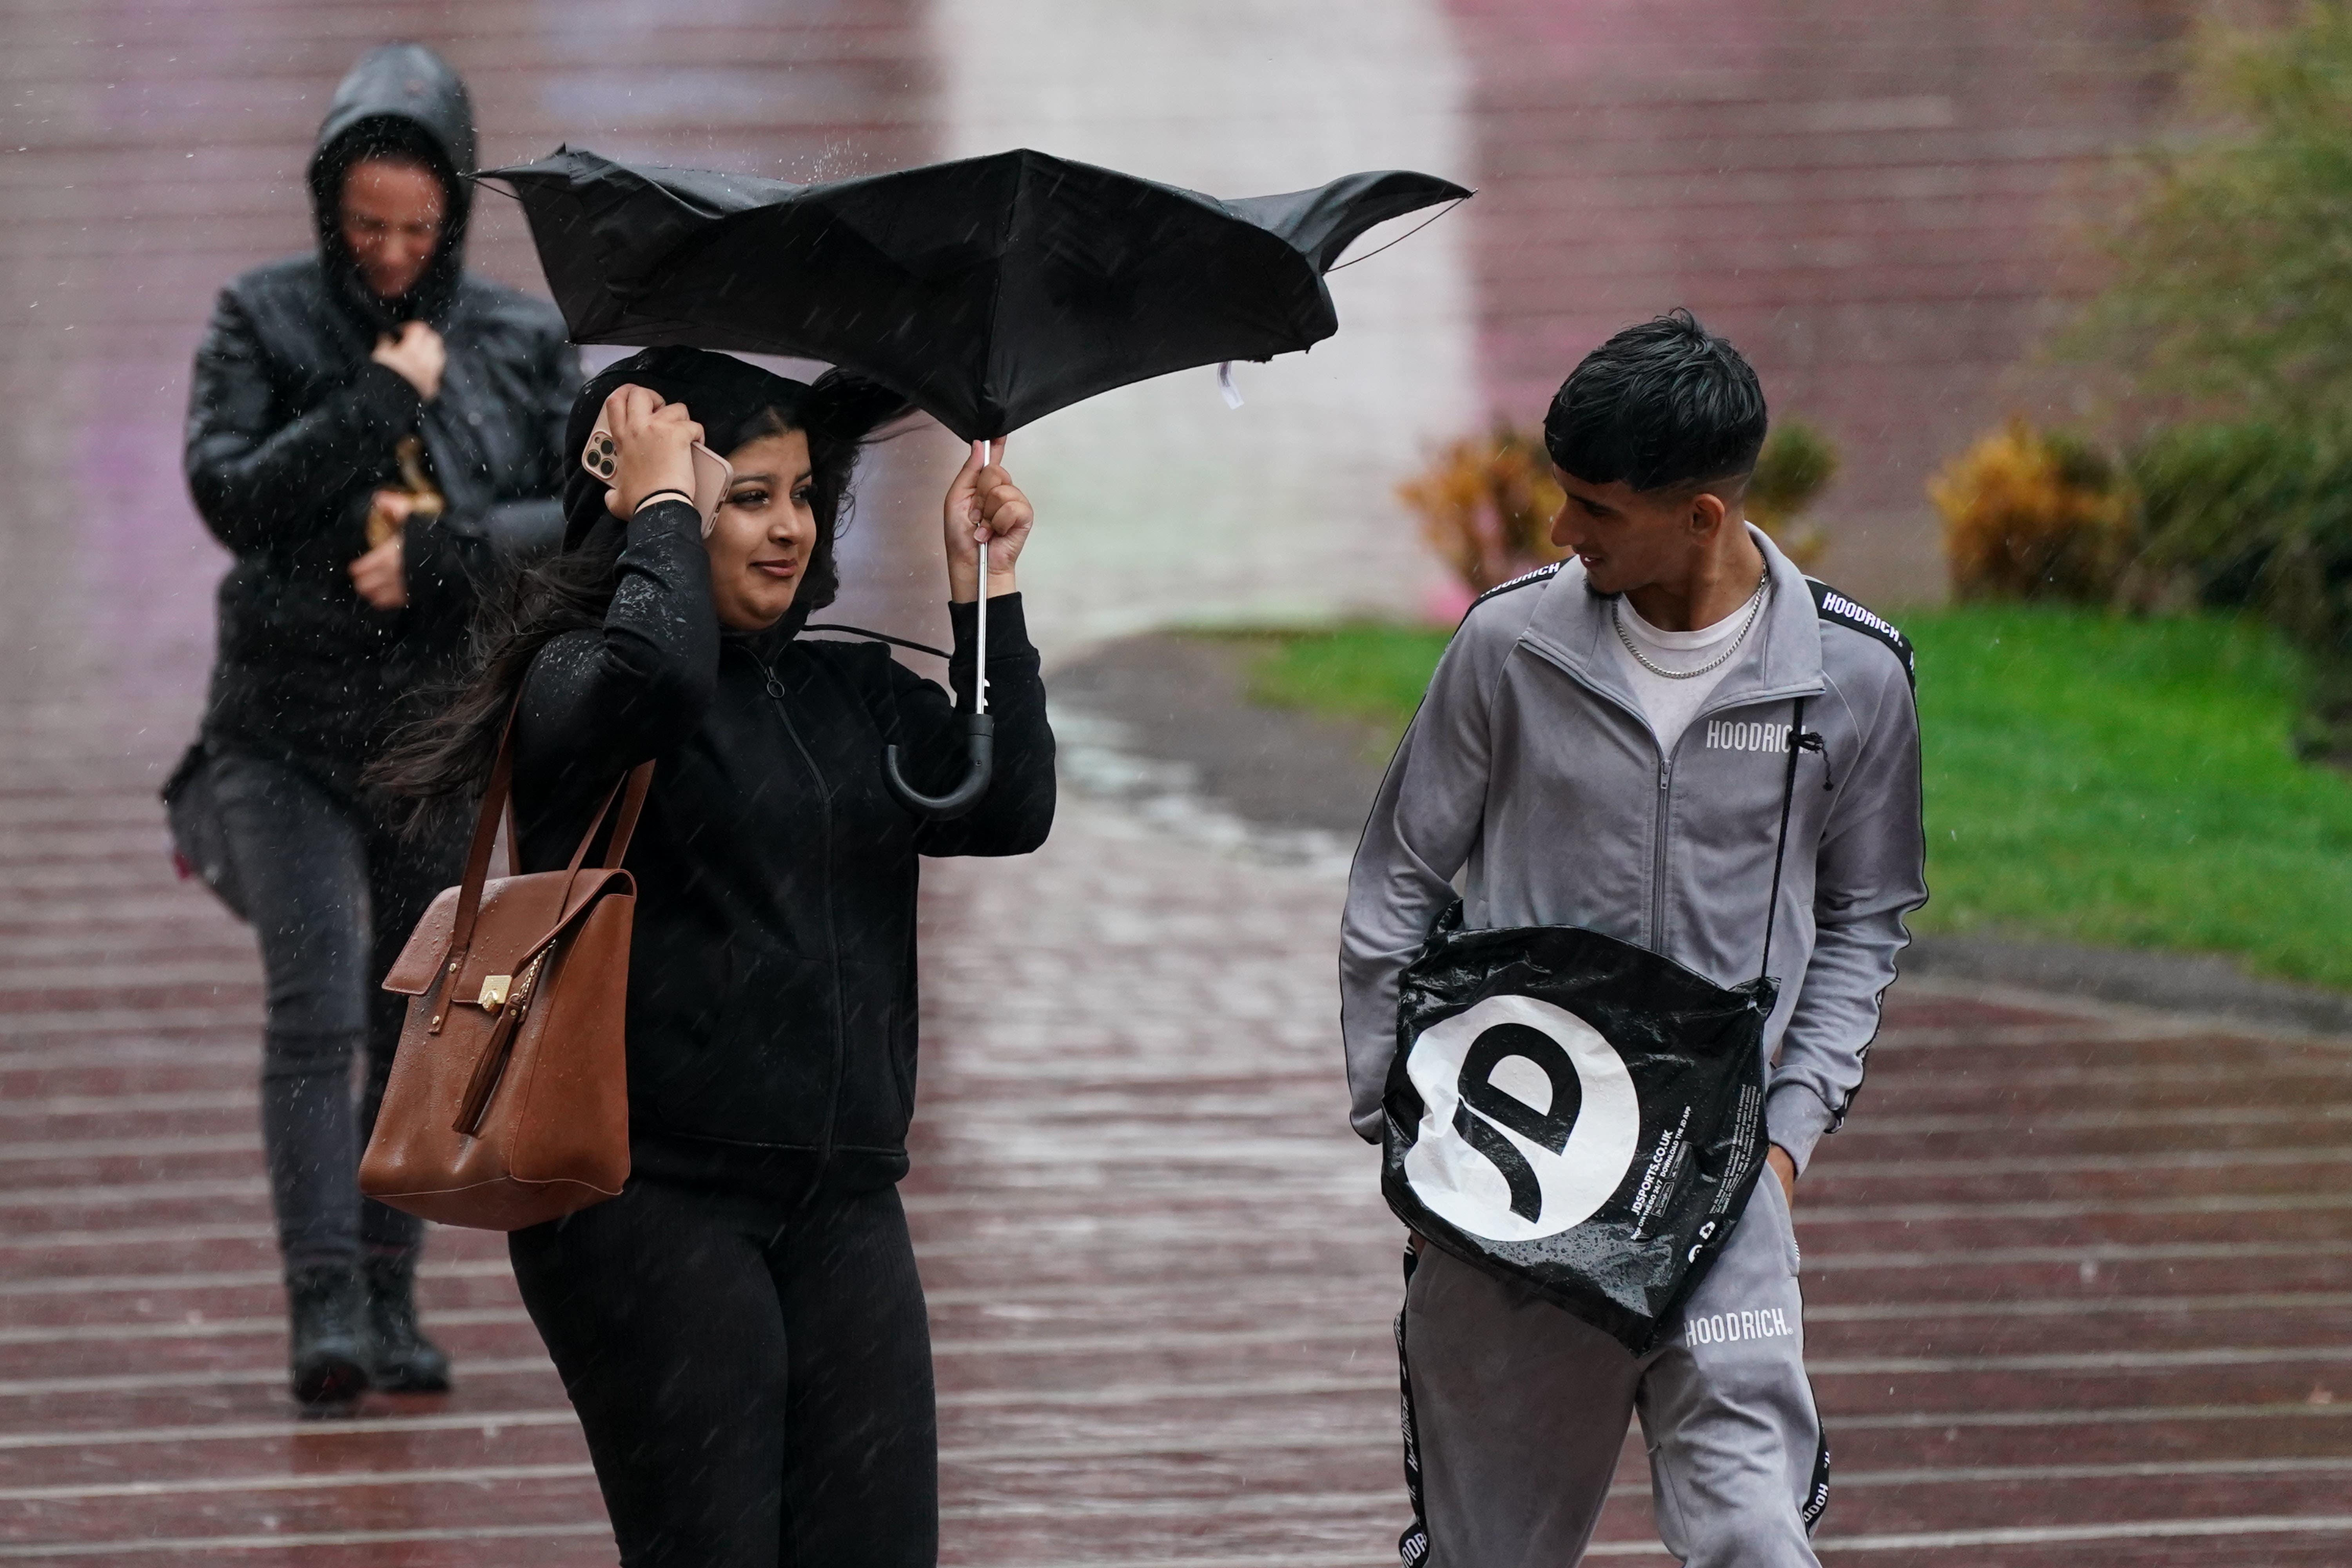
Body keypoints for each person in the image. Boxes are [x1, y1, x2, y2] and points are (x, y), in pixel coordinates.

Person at [373, 345, 1056, 1568]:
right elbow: (663, 671)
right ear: (647, 516)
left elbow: (1003, 809)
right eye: (746, 497)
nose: (789, 528)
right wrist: (664, 509)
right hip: (653, 1208)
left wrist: (985, 591)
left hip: (844, 1199)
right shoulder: (580, 686)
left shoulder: (852, 690)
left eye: (801, 493)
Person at [1339, 310, 1927, 1566]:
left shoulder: (1853, 677)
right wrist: (1403, 1110)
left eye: (1595, 510)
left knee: (1754, 1539)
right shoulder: (1508, 648)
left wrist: (1785, 1137)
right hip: (1510, 1199)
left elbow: (1870, 918)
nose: (1562, 533)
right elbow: (1397, 874)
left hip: (1721, 1194)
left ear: (1700, 517)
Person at [177, 41, 579, 1407]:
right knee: (316, 1000)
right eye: (367, 229)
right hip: (280, 725)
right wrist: (380, 402)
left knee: (421, 1014)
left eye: (419, 229)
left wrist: (449, 554)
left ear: (458, 213)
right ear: (326, 213)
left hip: (440, 729)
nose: (394, 256)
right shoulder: (264, 318)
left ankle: (393, 1292)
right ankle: (323, 1299)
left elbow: (578, 525)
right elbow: (231, 496)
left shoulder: (523, 340)